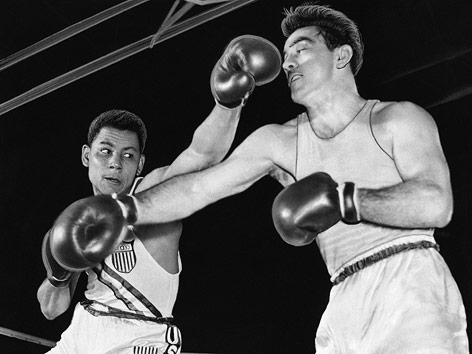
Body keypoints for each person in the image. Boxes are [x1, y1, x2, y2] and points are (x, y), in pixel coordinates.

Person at [48, 3, 469, 353]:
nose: (287, 62)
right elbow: (199, 185)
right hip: (343, 298)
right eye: (285, 55)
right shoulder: (278, 141)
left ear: (340, 56)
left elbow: (436, 204)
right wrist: (126, 208)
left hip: (412, 281)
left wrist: (346, 200)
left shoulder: (397, 118)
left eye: (301, 50)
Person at [37, 35, 281, 354]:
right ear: (86, 155)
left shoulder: (151, 194)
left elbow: (202, 155)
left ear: (140, 165)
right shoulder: (74, 222)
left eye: (127, 156)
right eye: (105, 151)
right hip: (80, 333)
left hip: (139, 339)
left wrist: (228, 104)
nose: (114, 163)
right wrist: (58, 274)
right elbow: (52, 310)